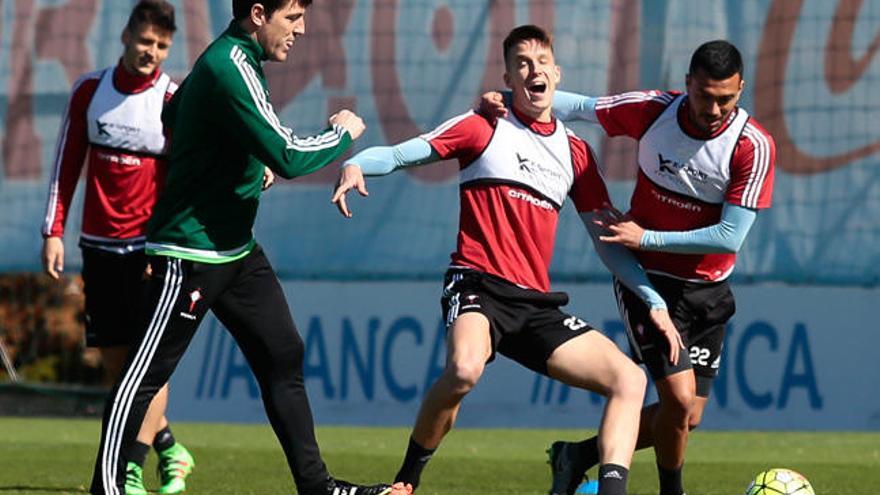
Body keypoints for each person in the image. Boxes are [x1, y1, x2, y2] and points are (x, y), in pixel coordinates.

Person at [332, 25, 686, 495]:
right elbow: (400, 154)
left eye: (541, 61)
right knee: (463, 371)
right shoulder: (483, 126)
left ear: (557, 75)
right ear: (508, 76)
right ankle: (406, 482)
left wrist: (654, 302)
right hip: (477, 285)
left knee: (628, 379)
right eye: (522, 62)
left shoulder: (576, 153)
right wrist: (355, 164)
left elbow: (606, 241)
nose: (533, 69)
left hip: (534, 305)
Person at [86, 1, 402, 494]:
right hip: (190, 254)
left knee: (283, 354)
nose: (301, 29)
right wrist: (342, 131)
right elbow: (291, 155)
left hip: (235, 251)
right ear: (258, 14)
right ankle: (105, 488)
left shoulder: (237, 63)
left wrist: (246, 167)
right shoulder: (230, 63)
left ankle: (317, 488)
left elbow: (175, 111)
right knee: (142, 378)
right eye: (292, 18)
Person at [480, 39, 777, 495]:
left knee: (688, 416)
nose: (714, 109)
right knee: (676, 401)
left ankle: (577, 455)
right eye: (704, 96)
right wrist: (508, 98)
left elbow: (729, 237)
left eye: (727, 99)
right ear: (686, 86)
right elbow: (578, 105)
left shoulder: (751, 146)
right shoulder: (653, 111)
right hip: (648, 280)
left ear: (741, 90)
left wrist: (647, 235)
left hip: (709, 288)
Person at [40, 2, 196, 494]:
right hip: (98, 250)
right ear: (127, 36)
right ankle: (172, 447)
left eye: (162, 46)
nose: (152, 52)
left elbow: (183, 178)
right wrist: (53, 230)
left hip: (149, 253)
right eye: (145, 41)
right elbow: (68, 162)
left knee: (145, 367)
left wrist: (165, 247)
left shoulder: (173, 98)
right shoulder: (91, 90)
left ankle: (130, 466)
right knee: (115, 366)